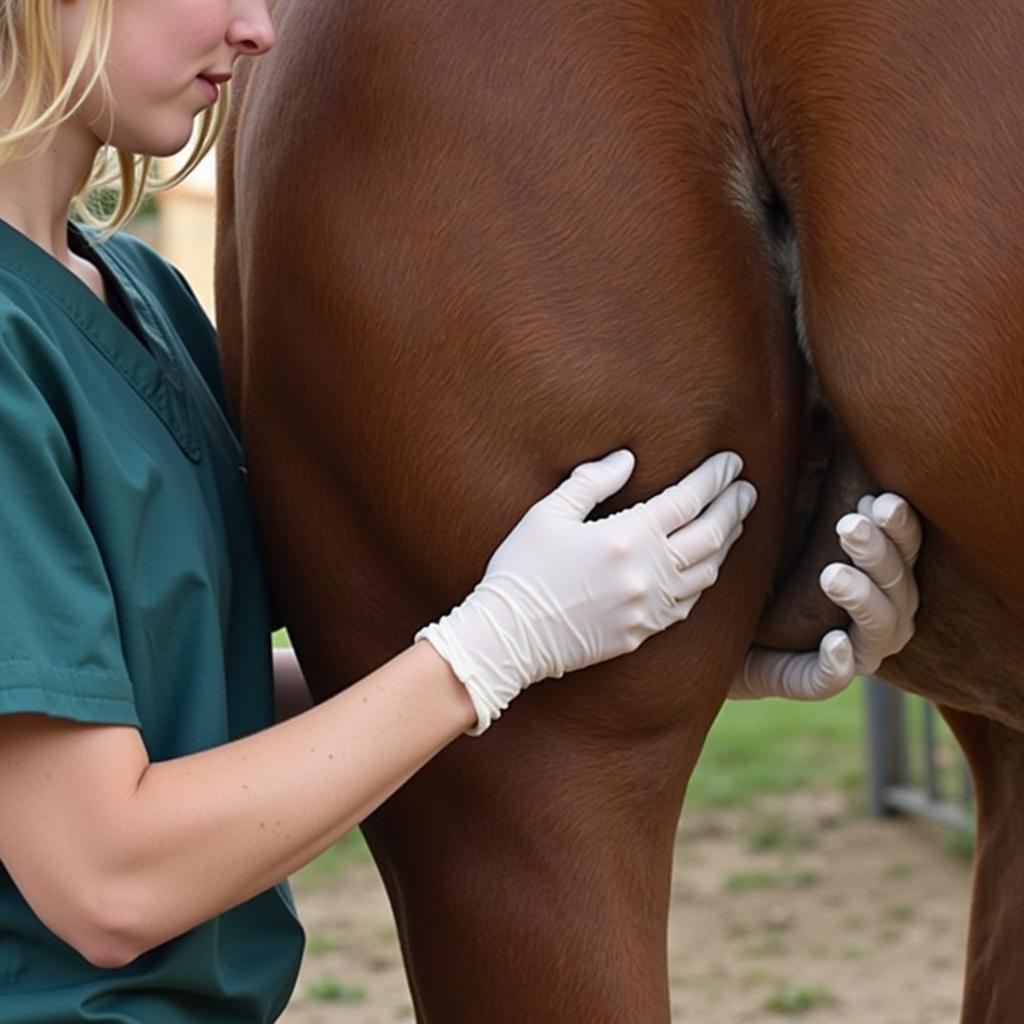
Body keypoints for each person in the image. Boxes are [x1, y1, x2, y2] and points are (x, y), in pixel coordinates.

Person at [0, 2, 920, 1021]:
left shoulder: (141, 293)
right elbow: (105, 879)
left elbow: (177, 703)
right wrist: (487, 648)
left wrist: (617, 657)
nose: (260, 30)